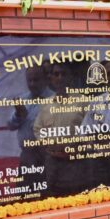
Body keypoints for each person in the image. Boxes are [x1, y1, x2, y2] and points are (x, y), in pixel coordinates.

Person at [33, 62, 89, 196]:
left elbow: (90, 128)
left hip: (77, 163)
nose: (60, 77)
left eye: (64, 74)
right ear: (51, 78)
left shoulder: (83, 101)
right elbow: (37, 129)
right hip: (53, 163)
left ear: (70, 77)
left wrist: (75, 146)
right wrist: (50, 145)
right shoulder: (46, 105)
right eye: (56, 74)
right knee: (54, 200)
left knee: (78, 199)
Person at [7, 65, 53, 188]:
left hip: (47, 155)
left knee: (47, 197)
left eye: (36, 80)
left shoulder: (54, 99)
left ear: (45, 79)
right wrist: (18, 114)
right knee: (23, 196)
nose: (32, 84)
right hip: (27, 156)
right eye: (29, 80)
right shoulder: (22, 99)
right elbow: (10, 126)